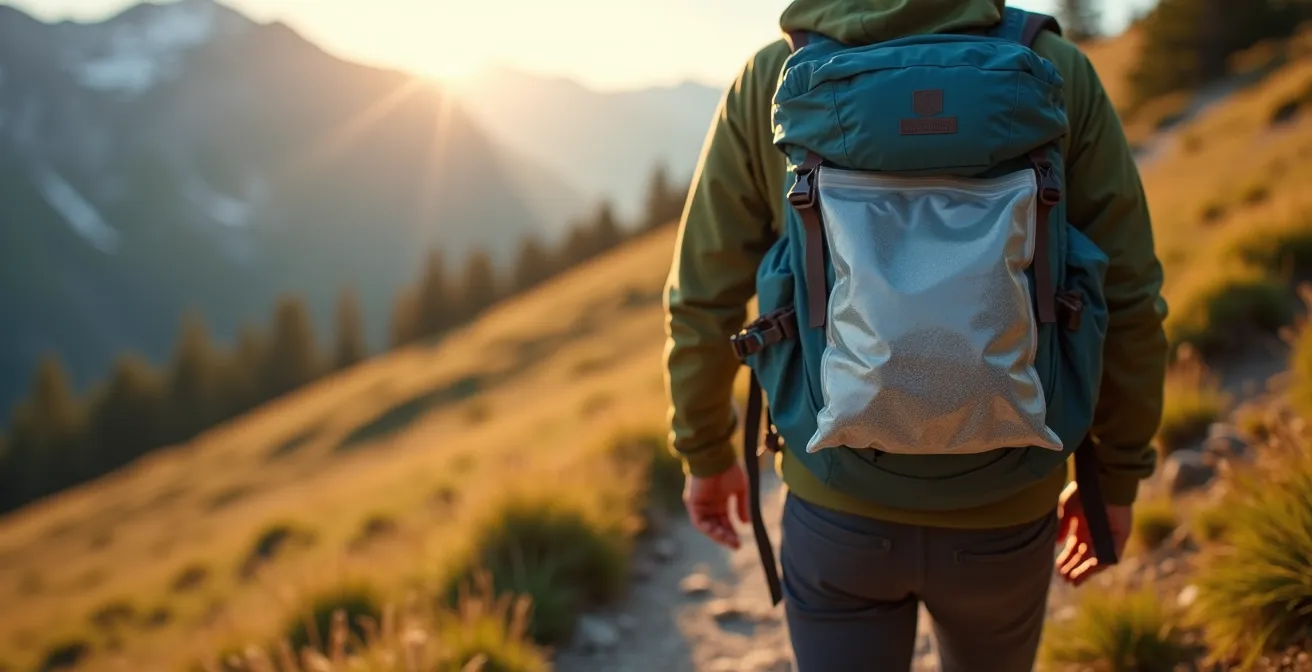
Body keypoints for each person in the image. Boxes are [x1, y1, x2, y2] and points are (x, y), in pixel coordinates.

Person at [661, 1, 1169, 670]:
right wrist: (1119, 476)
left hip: (835, 499)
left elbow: (702, 297)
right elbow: (1130, 297)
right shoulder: (1054, 68)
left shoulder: (773, 78)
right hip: (1007, 510)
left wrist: (705, 453)